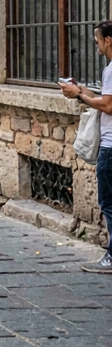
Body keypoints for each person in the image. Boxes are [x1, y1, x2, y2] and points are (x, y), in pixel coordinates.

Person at [59, 20, 112, 275]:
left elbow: (108, 106)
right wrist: (82, 90)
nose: (96, 45)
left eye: (97, 40)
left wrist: (78, 95)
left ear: (108, 40)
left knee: (109, 203)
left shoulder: (111, 70)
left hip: (110, 147)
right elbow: (105, 98)